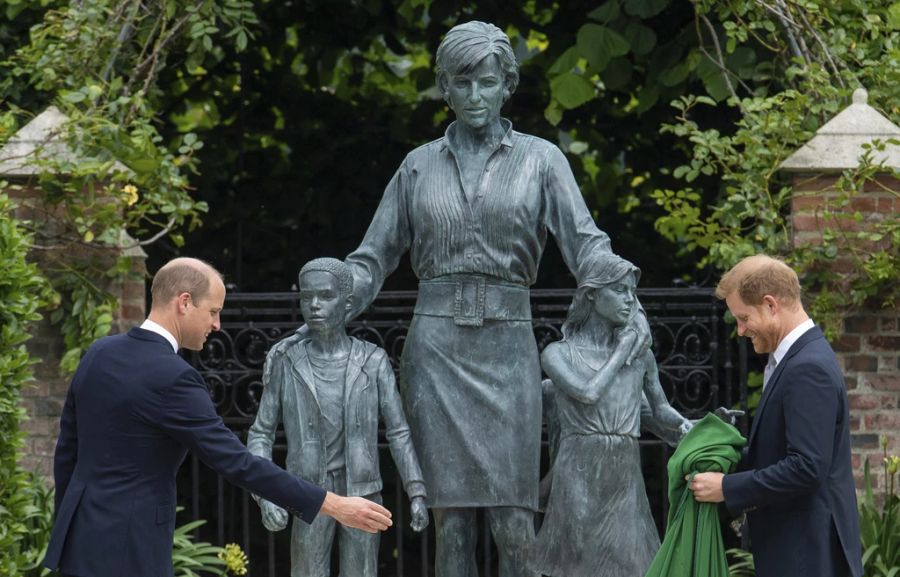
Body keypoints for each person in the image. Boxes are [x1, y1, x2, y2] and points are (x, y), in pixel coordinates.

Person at [271, 21, 650, 577]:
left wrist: (628, 299)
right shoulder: (418, 166)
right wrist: (331, 299)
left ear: (507, 86)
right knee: (450, 524)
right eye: (462, 84)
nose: (476, 97)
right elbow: (372, 258)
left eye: (488, 83)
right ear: (444, 88)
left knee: (515, 521)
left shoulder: (542, 160)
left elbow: (586, 245)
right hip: (437, 352)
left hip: (508, 348)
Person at [43, 257, 392, 577]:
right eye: (212, 311)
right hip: (132, 546)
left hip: (80, 537)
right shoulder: (174, 377)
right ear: (184, 303)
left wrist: (67, 523)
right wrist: (332, 503)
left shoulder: (99, 353)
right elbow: (237, 462)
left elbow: (68, 451)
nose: (217, 324)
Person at [247, 258, 429, 577]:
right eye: (306, 297)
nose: (314, 305)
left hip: (363, 490)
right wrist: (266, 496)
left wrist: (416, 490)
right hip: (307, 492)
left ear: (347, 303)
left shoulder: (373, 362)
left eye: (325, 296)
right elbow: (260, 434)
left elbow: (398, 432)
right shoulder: (287, 363)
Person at [689, 254, 863, 577]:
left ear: (771, 305)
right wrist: (721, 459)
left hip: (808, 557)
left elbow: (806, 467)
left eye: (743, 318)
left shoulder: (808, 367)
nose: (740, 330)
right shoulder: (791, 359)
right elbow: (780, 452)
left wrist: (727, 487)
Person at [529, 249, 691, 577]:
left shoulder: (641, 358)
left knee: (633, 563)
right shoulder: (558, 353)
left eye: (633, 292)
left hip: (623, 473)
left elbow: (660, 411)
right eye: (619, 290)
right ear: (590, 295)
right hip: (578, 471)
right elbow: (588, 393)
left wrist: (693, 425)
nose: (630, 300)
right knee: (576, 563)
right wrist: (621, 352)